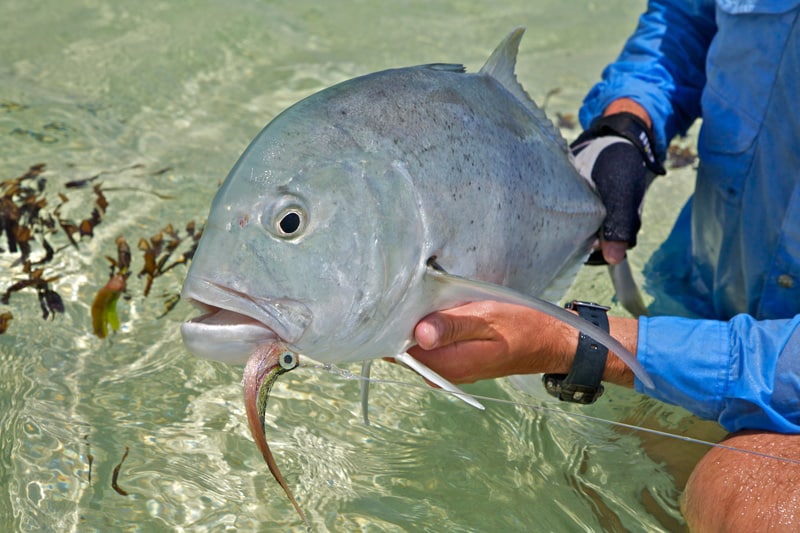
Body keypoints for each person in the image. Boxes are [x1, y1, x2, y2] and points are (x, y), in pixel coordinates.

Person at [408, 1, 800, 530]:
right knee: (596, 485)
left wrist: (581, 343)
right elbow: (687, 18)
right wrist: (626, 125)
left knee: (746, 499)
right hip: (705, 291)